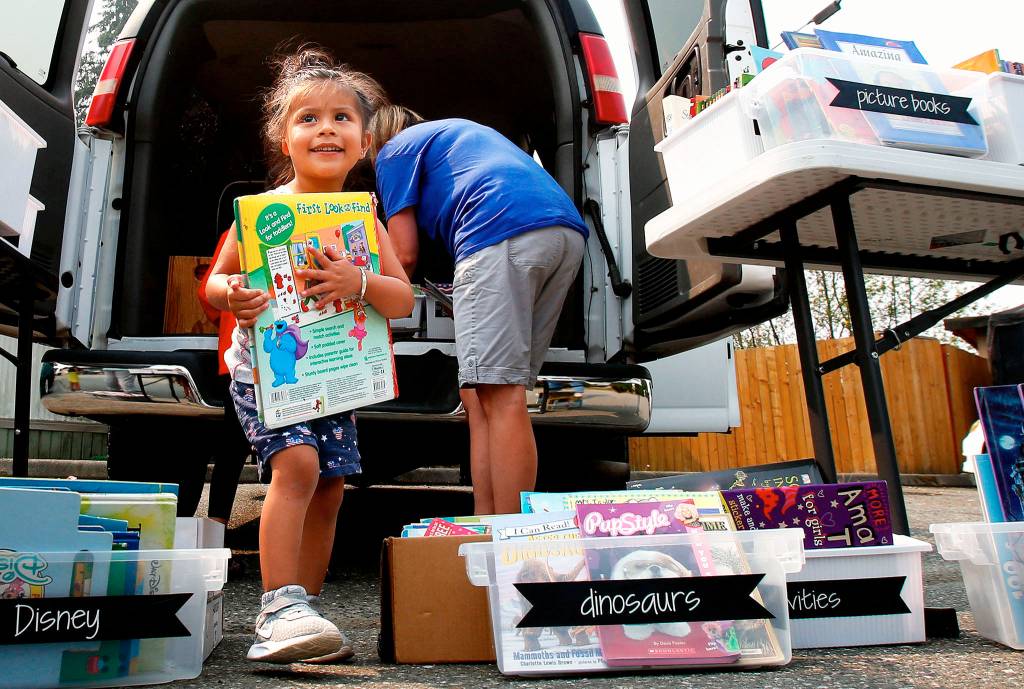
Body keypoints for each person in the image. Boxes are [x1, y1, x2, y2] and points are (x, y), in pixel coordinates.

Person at [205, 45, 413, 664]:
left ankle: (307, 614)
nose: (326, 128)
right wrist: (233, 296)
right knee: (295, 468)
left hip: (339, 377)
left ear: (365, 140)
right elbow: (215, 282)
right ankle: (278, 607)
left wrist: (361, 283)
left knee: (330, 486)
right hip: (268, 370)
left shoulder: (366, 224)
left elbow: (400, 301)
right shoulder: (262, 215)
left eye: (342, 118)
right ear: (284, 138)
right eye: (308, 118)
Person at [370, 107, 588, 515]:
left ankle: (507, 538)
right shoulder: (456, 136)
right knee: (480, 394)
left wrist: (363, 289)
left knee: (500, 394)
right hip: (563, 235)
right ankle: (486, 523)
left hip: (498, 231)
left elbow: (404, 254)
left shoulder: (394, 151)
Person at [197, 230, 252, 526]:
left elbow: (207, 294)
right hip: (300, 360)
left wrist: (228, 318)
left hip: (240, 361)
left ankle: (215, 535)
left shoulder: (243, 225)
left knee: (231, 451)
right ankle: (306, 549)